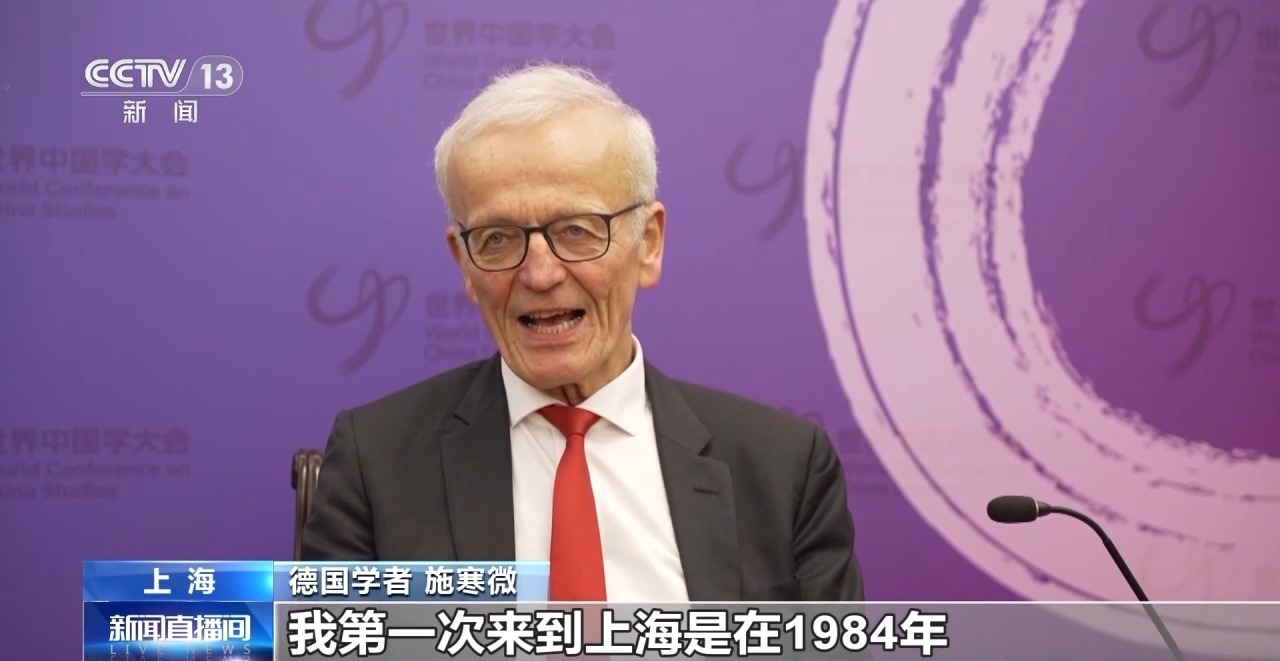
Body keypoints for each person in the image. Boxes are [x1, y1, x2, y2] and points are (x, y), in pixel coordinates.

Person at [301, 62, 864, 603]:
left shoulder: (781, 470)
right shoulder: (376, 466)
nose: (540, 274)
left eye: (576, 230)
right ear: (464, 264)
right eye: (497, 239)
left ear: (649, 243)